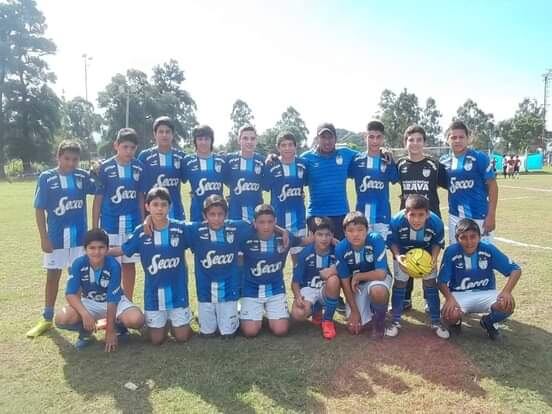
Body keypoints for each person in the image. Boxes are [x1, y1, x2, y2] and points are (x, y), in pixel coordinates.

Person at [27, 140, 97, 338]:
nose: (71, 163)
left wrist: (95, 172)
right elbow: (39, 209)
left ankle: (82, 318)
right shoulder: (46, 178)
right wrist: (44, 237)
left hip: (79, 239)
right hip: (56, 238)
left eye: (75, 159)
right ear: (58, 157)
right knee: (52, 276)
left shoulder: (82, 177)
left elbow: (99, 188)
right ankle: (47, 318)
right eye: (67, 158)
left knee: (79, 278)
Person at [111, 187, 192, 345]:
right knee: (156, 340)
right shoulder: (141, 232)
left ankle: (174, 320)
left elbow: (202, 232)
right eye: (155, 204)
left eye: (163, 204)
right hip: (153, 296)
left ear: (169, 207)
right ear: (147, 207)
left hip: (178, 295)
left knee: (182, 337)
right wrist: (102, 253)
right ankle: (158, 323)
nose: (159, 208)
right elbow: (123, 249)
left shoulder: (180, 228)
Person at [54, 229, 144, 350]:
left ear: (107, 249)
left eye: (101, 247)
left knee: (136, 319)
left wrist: (110, 331)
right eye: (92, 248)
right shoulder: (78, 264)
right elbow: (70, 294)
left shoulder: (113, 265)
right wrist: (85, 314)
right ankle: (85, 332)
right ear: (85, 249)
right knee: (62, 318)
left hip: (116, 302)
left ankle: (118, 327)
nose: (97, 252)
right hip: (90, 302)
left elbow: (112, 300)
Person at [438, 218, 521, 340]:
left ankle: (489, 322)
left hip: (486, 293)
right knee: (449, 315)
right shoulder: (451, 251)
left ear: (479, 237)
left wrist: (506, 292)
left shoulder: (488, 249)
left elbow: (515, 270)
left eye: (473, 237)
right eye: (463, 237)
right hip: (460, 294)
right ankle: (456, 322)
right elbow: (441, 281)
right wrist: (449, 299)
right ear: (457, 239)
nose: (469, 241)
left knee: (507, 304)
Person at [396, 125, 447, 310]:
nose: (415, 143)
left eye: (419, 140)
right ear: (405, 143)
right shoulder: (400, 165)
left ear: (424, 142)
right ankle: (406, 298)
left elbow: (449, 183)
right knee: (408, 256)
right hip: (407, 220)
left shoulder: (434, 164)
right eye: (411, 140)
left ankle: (429, 298)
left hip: (430, 220)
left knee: (428, 259)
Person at [92, 128, 146, 300]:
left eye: (132, 148)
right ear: (116, 145)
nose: (129, 151)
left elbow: (140, 197)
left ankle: (127, 302)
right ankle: (112, 304)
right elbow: (98, 199)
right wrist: (95, 228)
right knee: (112, 266)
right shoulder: (105, 168)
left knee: (129, 265)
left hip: (133, 225)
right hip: (110, 225)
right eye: (125, 147)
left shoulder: (138, 167)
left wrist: (143, 221)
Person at [187, 195, 252, 337]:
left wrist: (282, 231)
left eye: (220, 214)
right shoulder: (195, 230)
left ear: (226, 214)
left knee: (227, 334)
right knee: (207, 334)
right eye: (212, 214)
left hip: (229, 292)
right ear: (204, 215)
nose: (216, 218)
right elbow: (171, 224)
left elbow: (260, 224)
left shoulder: (236, 227)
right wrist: (148, 219)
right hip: (205, 293)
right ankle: (202, 313)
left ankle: (237, 308)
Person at [386, 195, 448, 339]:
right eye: (412, 215)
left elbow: (437, 242)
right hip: (403, 255)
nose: (416, 219)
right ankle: (395, 321)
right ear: (405, 213)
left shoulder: (436, 223)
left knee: (431, 285)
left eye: (421, 215)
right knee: (400, 284)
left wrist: (433, 258)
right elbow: (392, 241)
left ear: (427, 214)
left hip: (426, 256)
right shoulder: (396, 221)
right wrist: (397, 256)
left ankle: (436, 321)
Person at [239, 204, 301, 337]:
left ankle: (270, 312)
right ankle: (245, 309)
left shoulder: (284, 238)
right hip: (251, 289)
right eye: (261, 222)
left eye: (270, 222)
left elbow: (302, 241)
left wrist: (332, 241)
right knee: (250, 332)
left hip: (275, 289)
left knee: (281, 330)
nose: (266, 226)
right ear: (254, 223)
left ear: (275, 221)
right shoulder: (244, 237)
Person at [335, 212, 392, 338]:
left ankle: (379, 323)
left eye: (360, 230)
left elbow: (381, 274)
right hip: (357, 287)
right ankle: (374, 311)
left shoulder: (376, 240)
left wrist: (358, 276)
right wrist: (354, 312)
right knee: (354, 328)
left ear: (367, 230)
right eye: (350, 230)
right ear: (344, 233)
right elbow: (345, 283)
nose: (355, 234)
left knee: (378, 291)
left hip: (376, 280)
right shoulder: (340, 248)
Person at [440, 121, 498, 243]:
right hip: (455, 218)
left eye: (461, 137)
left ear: (468, 139)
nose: (457, 140)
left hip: (480, 216)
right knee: (457, 256)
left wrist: (491, 215)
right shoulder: (443, 162)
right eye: (453, 137)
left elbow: (492, 185)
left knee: (484, 256)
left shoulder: (479, 158)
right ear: (448, 140)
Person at [300, 123, 357, 240]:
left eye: (330, 137)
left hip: (340, 214)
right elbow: (289, 164)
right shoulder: (306, 158)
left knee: (340, 253)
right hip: (316, 215)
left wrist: (382, 150)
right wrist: (273, 157)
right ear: (317, 139)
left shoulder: (346, 154)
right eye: (323, 137)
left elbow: (368, 156)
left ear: (336, 138)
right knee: (317, 254)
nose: (327, 141)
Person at [291, 217, 340, 340]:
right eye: (319, 235)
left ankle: (327, 321)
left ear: (332, 236)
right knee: (298, 314)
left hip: (326, 289)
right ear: (313, 236)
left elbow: (347, 266)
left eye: (327, 235)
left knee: (334, 280)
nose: (324, 238)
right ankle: (316, 310)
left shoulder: (337, 251)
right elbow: (295, 282)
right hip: (309, 289)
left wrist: (338, 243)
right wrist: (297, 297)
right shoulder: (305, 253)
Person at [348, 120, 399, 239]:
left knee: (380, 251)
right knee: (363, 251)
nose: (375, 141)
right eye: (371, 137)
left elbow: (395, 179)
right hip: (362, 216)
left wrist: (392, 159)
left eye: (378, 137)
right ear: (365, 137)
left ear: (383, 139)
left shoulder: (387, 160)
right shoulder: (356, 160)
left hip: (382, 215)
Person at [264, 132, 308, 264]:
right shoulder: (272, 166)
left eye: (290, 145)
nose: (287, 148)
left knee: (299, 263)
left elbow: (304, 185)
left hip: (299, 221)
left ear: (295, 147)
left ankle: (298, 285)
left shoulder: (303, 165)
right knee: (276, 263)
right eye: (283, 145)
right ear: (278, 148)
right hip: (278, 223)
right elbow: (265, 186)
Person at [138, 116, 187, 220]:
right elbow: (140, 192)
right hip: (152, 215)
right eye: (161, 132)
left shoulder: (181, 157)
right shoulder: (144, 156)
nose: (164, 135)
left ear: (172, 134)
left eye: (167, 132)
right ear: (155, 134)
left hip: (176, 213)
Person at [183, 125, 226, 222]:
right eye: (200, 139)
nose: (203, 142)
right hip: (196, 211)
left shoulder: (221, 161)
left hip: (218, 213)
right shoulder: (187, 161)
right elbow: (181, 179)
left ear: (211, 141)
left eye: (207, 139)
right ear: (195, 141)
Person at [224, 126, 265, 222]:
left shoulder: (262, 161)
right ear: (239, 140)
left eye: (252, 139)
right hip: (235, 213)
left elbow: (266, 184)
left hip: (257, 213)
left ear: (256, 141)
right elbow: (225, 180)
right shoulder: (229, 160)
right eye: (245, 138)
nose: (249, 142)